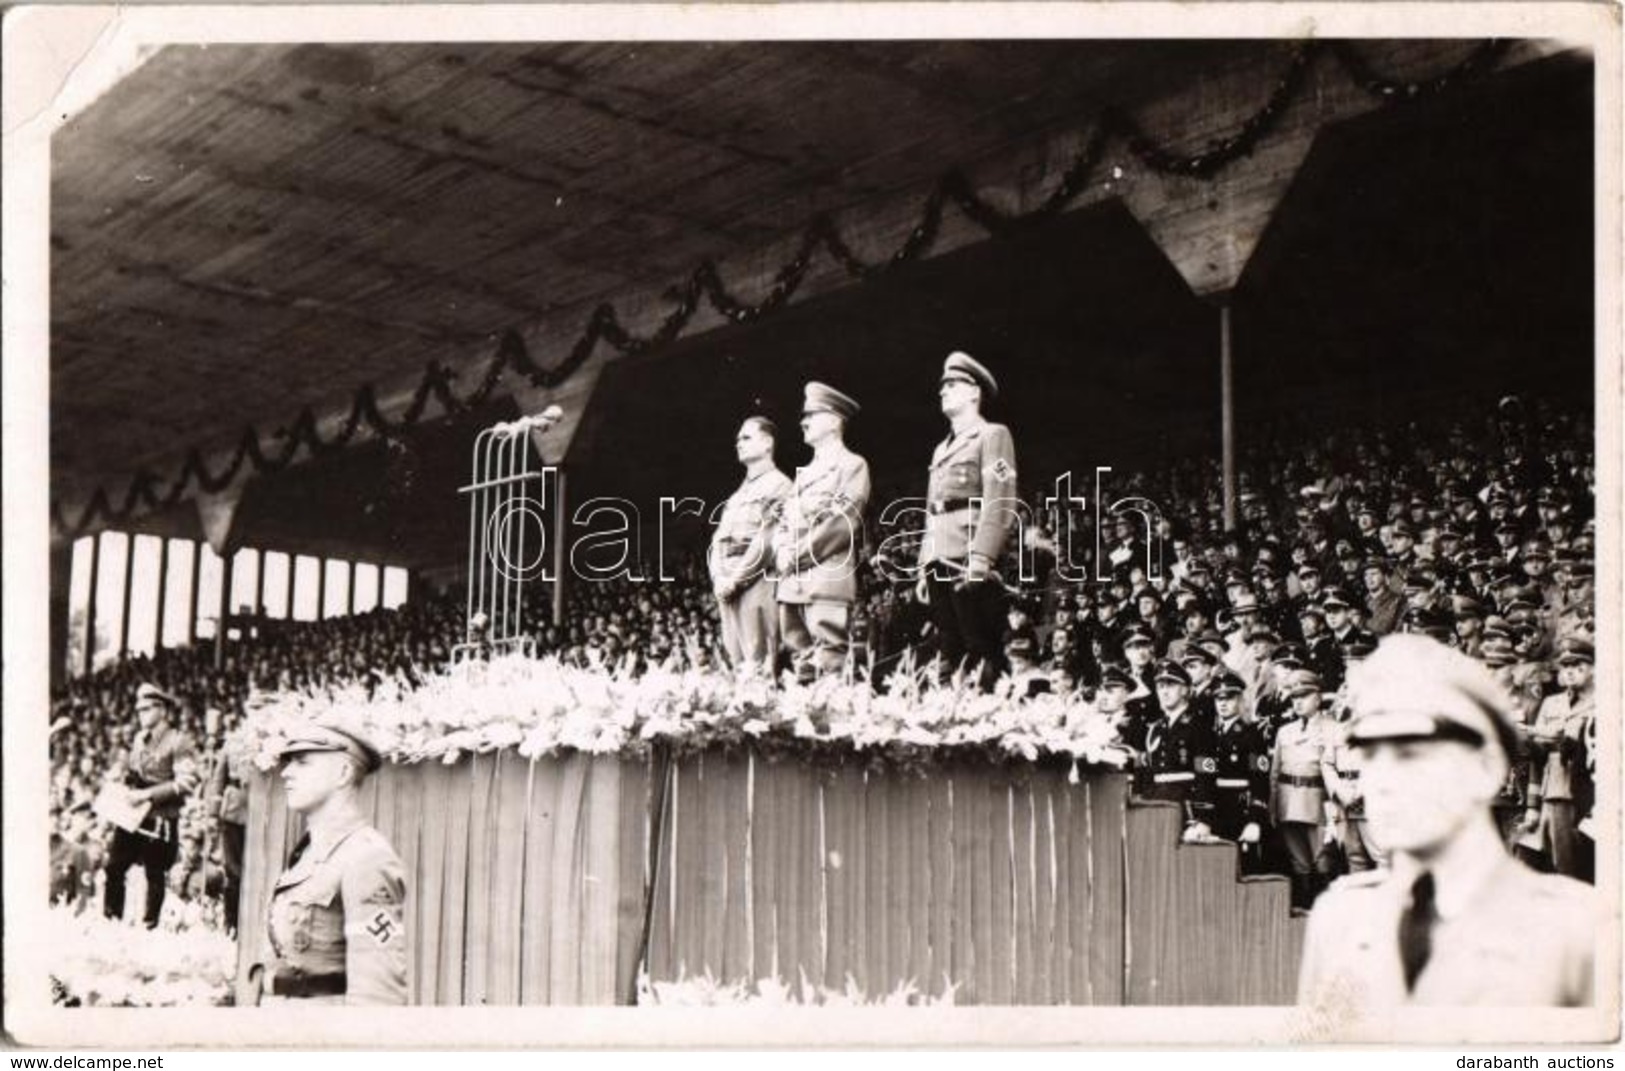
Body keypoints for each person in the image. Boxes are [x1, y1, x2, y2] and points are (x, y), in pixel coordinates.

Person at [1297, 635, 1596, 1007]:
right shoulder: (1339, 919)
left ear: (1487, 768)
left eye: (1411, 754)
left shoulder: (1573, 928)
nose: (1382, 780)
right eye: (1370, 755)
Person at [252, 720, 408, 1005]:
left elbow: (378, 996)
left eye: (302, 762)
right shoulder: (310, 853)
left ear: (343, 773)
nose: (286, 773)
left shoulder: (366, 857)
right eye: (288, 762)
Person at [916, 351, 1019, 688]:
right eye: (942, 385)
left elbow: (1001, 496)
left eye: (953, 384)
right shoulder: (939, 449)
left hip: (967, 553)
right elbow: (933, 510)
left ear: (975, 392)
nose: (943, 391)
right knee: (950, 645)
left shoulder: (992, 435)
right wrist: (923, 565)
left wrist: (983, 554)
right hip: (939, 555)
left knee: (981, 644)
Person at [774, 382, 872, 681]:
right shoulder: (804, 476)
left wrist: (796, 555)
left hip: (826, 573)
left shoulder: (852, 465)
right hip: (792, 581)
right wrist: (781, 550)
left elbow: (842, 523)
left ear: (833, 421)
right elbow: (783, 522)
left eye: (812, 415)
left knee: (830, 662)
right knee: (801, 662)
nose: (803, 422)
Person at [102, 683, 195, 928]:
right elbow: (135, 772)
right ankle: (111, 921)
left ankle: (149, 926)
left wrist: (147, 794)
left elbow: (186, 782)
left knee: (154, 874)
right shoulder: (139, 739)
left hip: (160, 817)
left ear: (162, 710)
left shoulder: (177, 740)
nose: (140, 714)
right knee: (113, 867)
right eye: (139, 709)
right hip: (134, 815)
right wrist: (119, 777)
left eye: (146, 709)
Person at [709, 415, 794, 674]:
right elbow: (717, 542)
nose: (739, 443)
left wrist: (735, 580)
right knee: (738, 666)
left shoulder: (780, 485)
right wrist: (718, 578)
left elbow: (767, 539)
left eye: (746, 437)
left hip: (756, 581)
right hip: (726, 583)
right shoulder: (736, 496)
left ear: (767, 442)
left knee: (760, 664)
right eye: (737, 439)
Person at [1519, 635, 1594, 879]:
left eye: (1578, 665)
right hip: (1554, 792)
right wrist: (1527, 741)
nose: (1570, 672)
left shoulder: (1602, 703)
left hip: (1588, 793)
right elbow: (1538, 759)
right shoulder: (1551, 703)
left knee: (1582, 868)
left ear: (1593, 668)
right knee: (1555, 866)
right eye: (1566, 666)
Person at [1271, 668, 1334, 910]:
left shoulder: (1332, 728)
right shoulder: (1285, 731)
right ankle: (1304, 906)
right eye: (1294, 697)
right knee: (1298, 862)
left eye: (1304, 696)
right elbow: (1275, 773)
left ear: (1318, 698)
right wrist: (1273, 807)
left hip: (1317, 802)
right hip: (1288, 801)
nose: (1298, 702)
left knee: (1323, 861)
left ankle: (1324, 909)